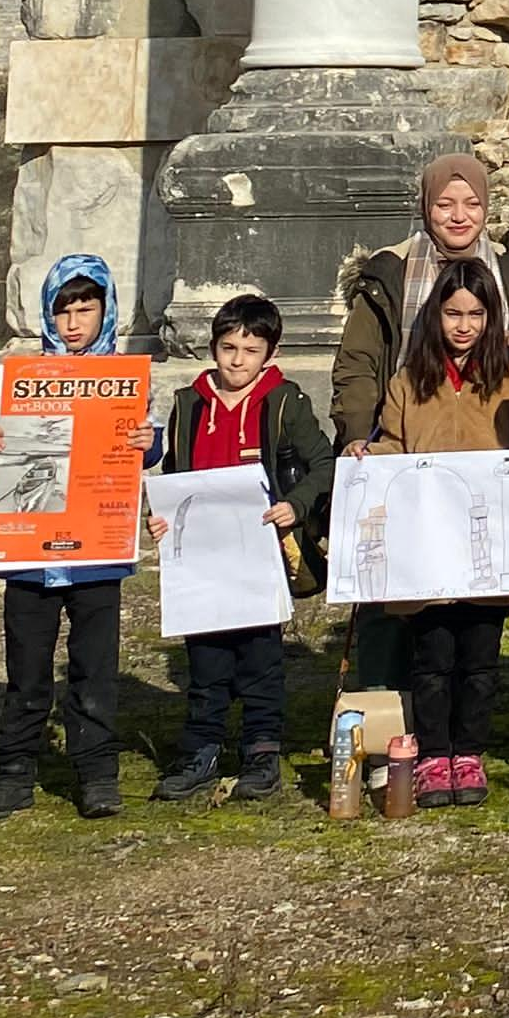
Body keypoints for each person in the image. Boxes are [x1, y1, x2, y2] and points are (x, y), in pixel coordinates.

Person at [336, 151, 509, 699]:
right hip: (400, 439)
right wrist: (359, 431)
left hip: (477, 445)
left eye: (471, 204)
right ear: (425, 207)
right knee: (390, 585)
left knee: (461, 592)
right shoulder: (392, 271)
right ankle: (382, 712)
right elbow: (358, 362)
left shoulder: (508, 274)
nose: (458, 215)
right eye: (445, 203)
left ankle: (447, 722)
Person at [352, 253, 509, 804]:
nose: (463, 326)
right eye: (452, 313)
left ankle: (469, 752)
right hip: (428, 547)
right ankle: (433, 754)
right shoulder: (407, 382)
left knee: (480, 657)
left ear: (491, 317)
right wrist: (370, 459)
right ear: (435, 316)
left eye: (475, 314)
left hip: (489, 544)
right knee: (433, 656)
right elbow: (393, 446)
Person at [0, 253, 140, 820]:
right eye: (62, 310)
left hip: (96, 553)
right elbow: (0, 468)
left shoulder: (124, 378)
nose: (73, 323)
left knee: (94, 667)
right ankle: (14, 769)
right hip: (29, 554)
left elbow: (143, 449)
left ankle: (96, 770)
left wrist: (147, 440)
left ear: (105, 311)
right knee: (26, 668)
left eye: (85, 310)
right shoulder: (23, 381)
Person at [154, 292, 332, 804]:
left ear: (268, 354)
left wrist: (295, 506)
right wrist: (163, 519)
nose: (237, 360)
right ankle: (201, 748)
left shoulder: (285, 402)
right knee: (205, 659)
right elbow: (174, 476)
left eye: (250, 350)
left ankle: (261, 750)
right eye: (228, 347)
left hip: (261, 551)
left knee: (260, 659)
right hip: (204, 556)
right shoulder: (189, 404)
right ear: (213, 348)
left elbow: (323, 465)